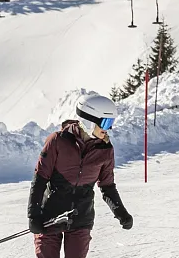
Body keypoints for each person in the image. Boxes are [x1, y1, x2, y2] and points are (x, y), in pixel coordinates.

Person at [29, 93, 132, 258]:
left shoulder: (105, 150)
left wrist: (121, 212)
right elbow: (40, 179)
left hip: (81, 217)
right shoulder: (57, 141)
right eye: (106, 122)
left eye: (111, 123)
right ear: (89, 120)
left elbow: (107, 186)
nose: (108, 128)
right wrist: (33, 214)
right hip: (50, 215)